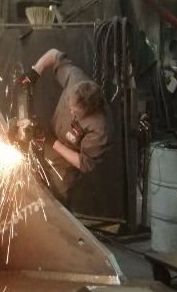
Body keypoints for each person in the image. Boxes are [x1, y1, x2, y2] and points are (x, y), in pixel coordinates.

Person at [23, 48, 113, 209]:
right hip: (48, 141)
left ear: (89, 111)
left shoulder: (100, 126)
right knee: (33, 192)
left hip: (66, 163)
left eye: (75, 112)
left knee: (57, 206)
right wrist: (35, 72)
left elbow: (84, 163)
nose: (70, 112)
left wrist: (53, 142)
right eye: (69, 106)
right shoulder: (75, 80)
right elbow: (53, 54)